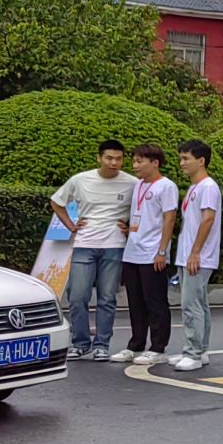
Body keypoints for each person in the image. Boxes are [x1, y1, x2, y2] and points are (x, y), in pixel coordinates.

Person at [50, 139, 135, 362]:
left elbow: (146, 209)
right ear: (99, 158)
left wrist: (131, 228)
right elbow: (56, 201)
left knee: (107, 298)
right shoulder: (80, 180)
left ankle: (102, 345)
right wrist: (71, 226)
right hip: (84, 244)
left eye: (118, 159)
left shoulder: (132, 183)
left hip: (114, 246)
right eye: (109, 158)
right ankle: (80, 343)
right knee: (77, 296)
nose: (114, 163)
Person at [118, 145, 178, 366]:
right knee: (135, 302)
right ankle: (136, 344)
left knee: (155, 302)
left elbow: (169, 219)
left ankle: (158, 347)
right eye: (134, 161)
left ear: (155, 163)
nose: (135, 165)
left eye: (140, 161)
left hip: (153, 253)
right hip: (132, 251)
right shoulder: (139, 185)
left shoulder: (166, 186)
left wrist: (162, 251)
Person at [168, 140, 223, 373]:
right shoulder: (194, 188)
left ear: (201, 161)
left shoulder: (208, 187)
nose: (181, 163)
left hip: (198, 256)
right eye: (180, 158)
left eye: (186, 158)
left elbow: (208, 219)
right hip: (188, 255)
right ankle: (200, 350)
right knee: (198, 303)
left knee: (191, 305)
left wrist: (195, 252)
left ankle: (193, 353)